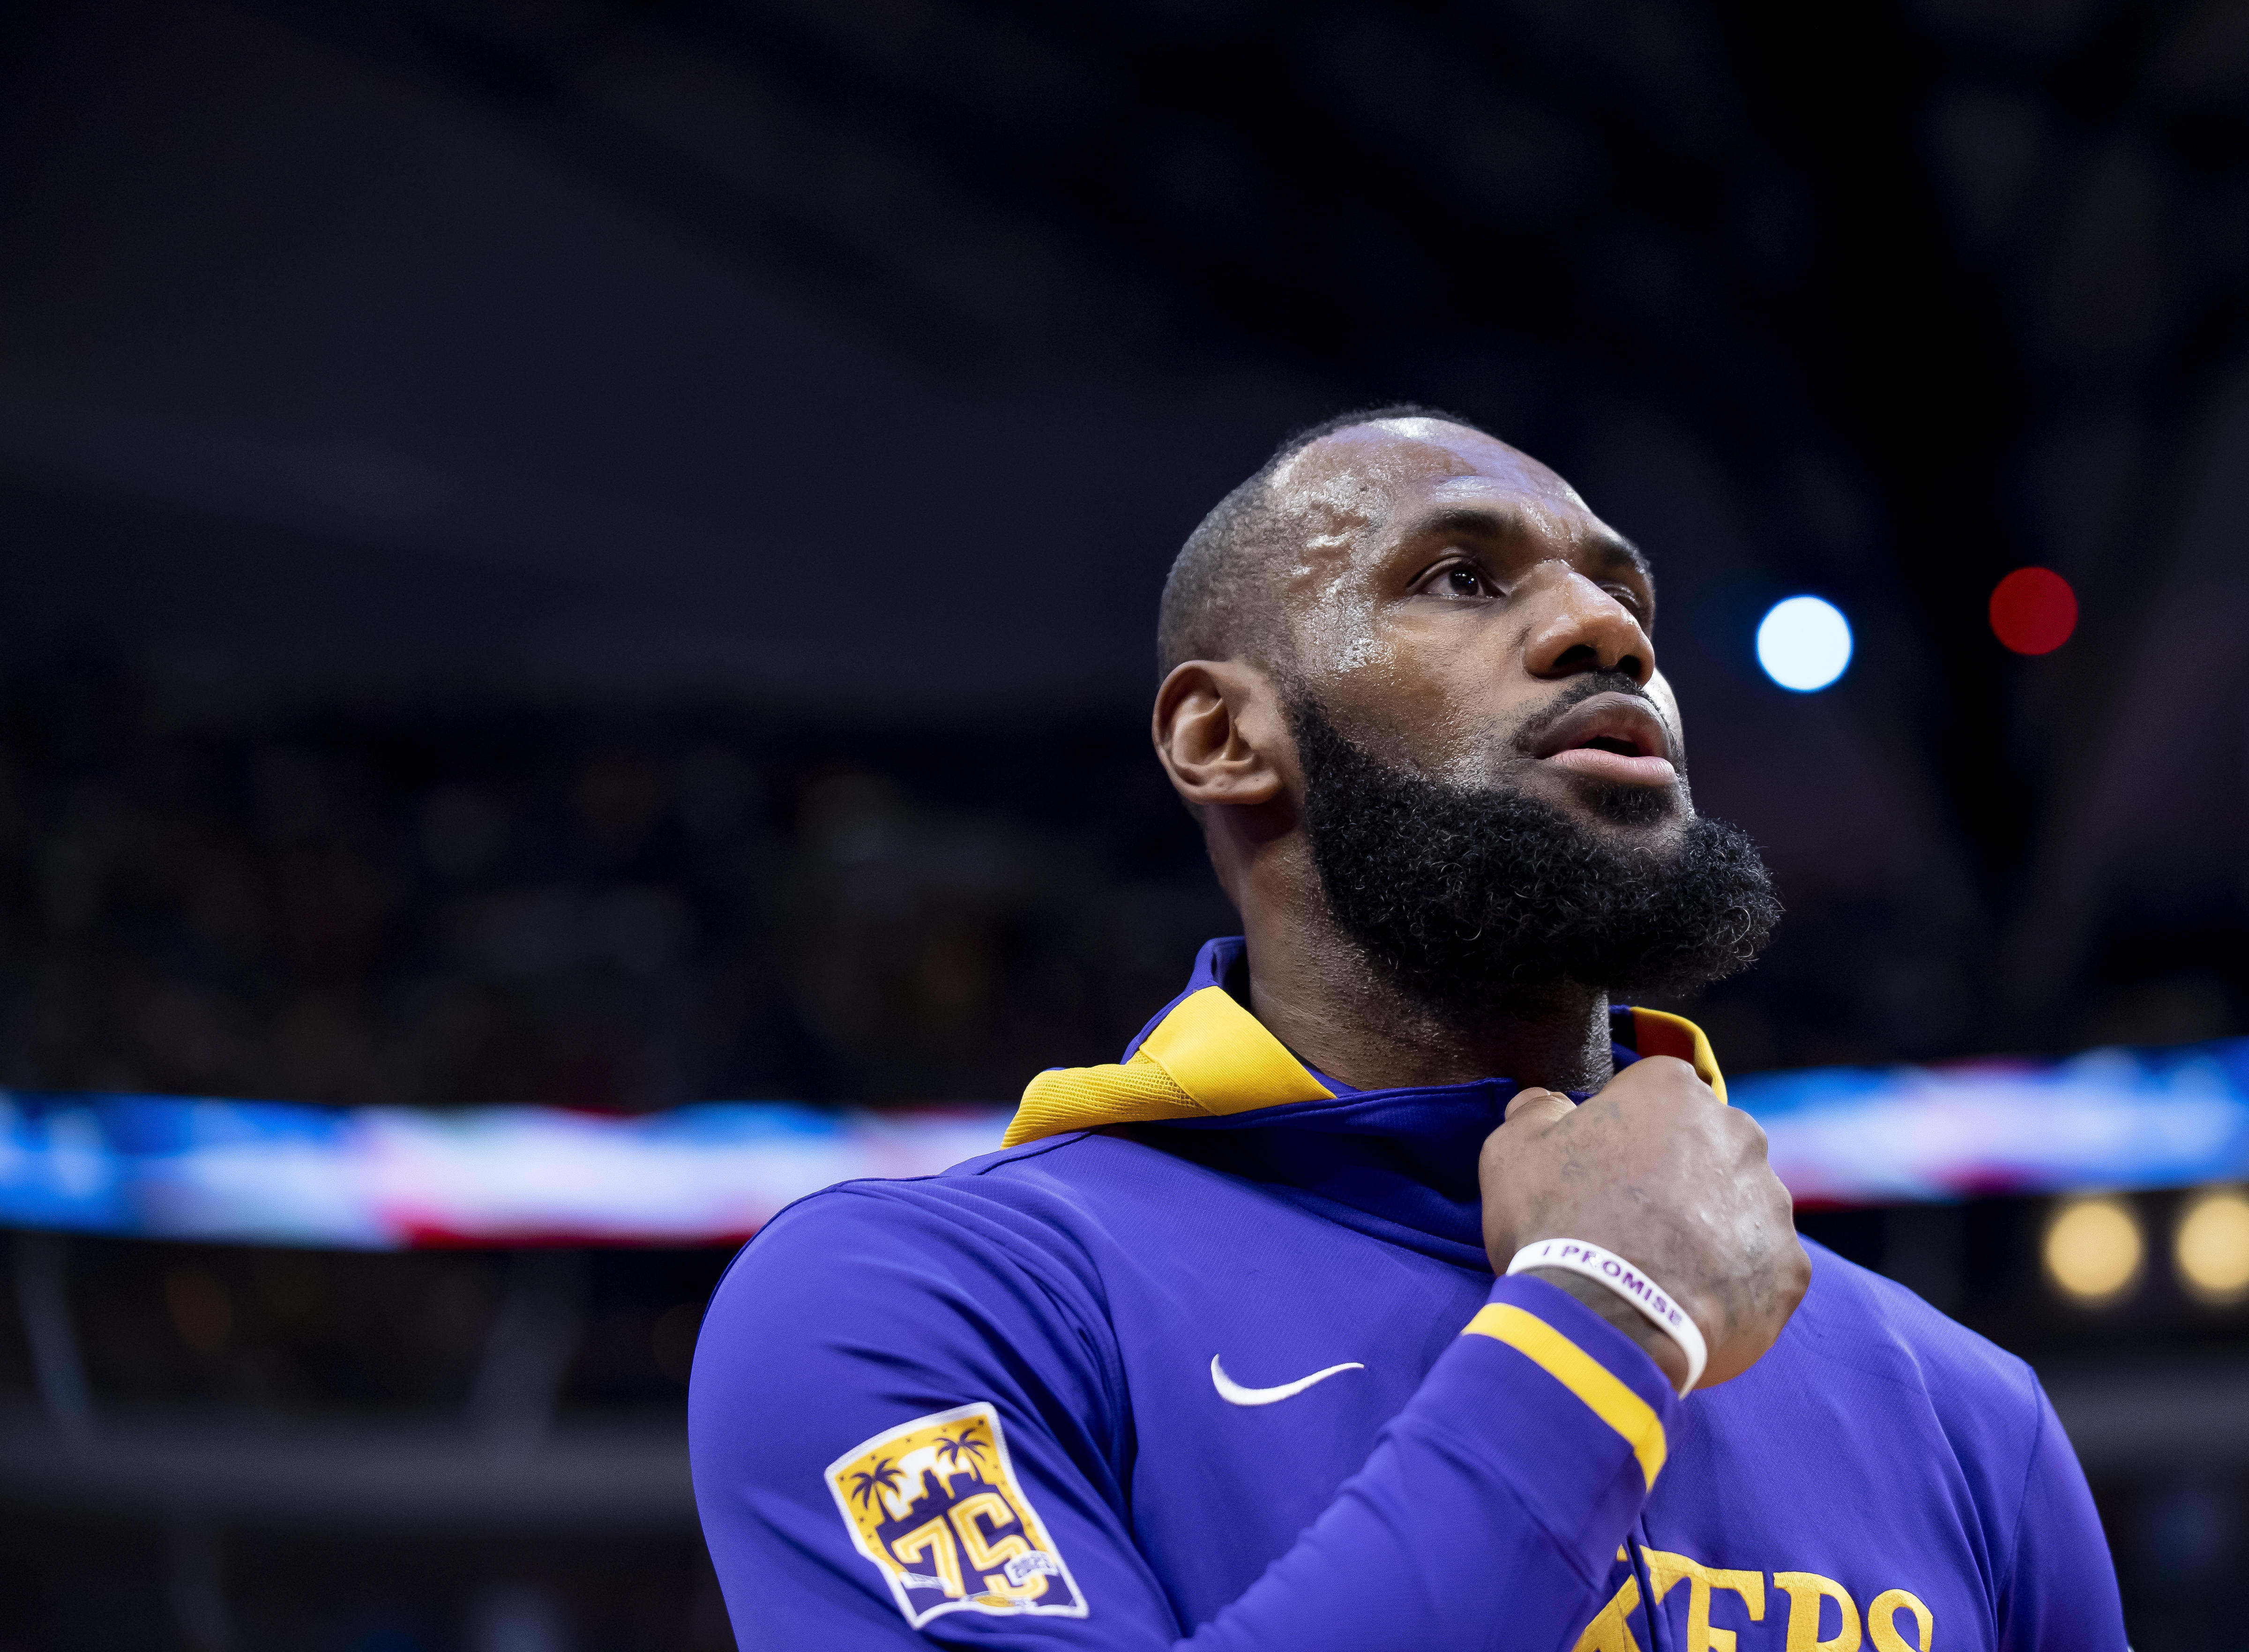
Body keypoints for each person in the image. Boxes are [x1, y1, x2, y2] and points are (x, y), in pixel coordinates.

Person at [690, 410, 2125, 1652]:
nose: (1608, 629)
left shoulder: (1965, 1413)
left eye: (1623, 592)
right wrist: (1602, 1318)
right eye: (1461, 578)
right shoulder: (922, 1307)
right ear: (1222, 738)